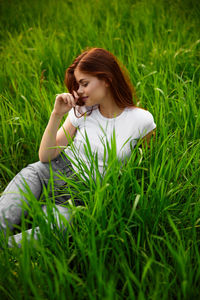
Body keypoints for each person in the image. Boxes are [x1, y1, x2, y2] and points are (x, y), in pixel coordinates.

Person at [0, 47, 156, 247]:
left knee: (40, 236)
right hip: (48, 172)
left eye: (84, 83)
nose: (78, 91)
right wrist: (57, 114)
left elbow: (146, 169)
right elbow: (45, 157)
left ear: (106, 79)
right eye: (77, 85)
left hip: (83, 195)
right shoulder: (82, 111)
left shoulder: (141, 120)